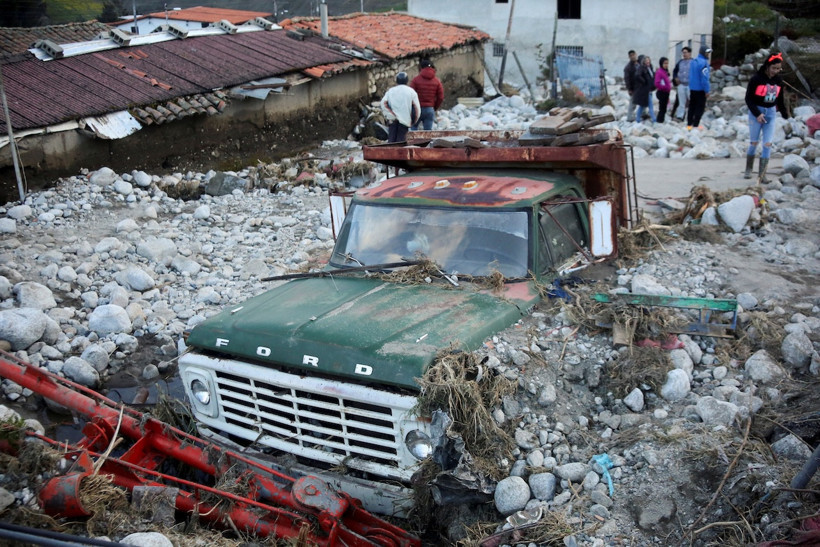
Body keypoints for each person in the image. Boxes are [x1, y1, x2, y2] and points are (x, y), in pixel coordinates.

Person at [744, 52, 788, 182]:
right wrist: (757, 113)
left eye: (778, 68)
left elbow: (779, 99)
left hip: (770, 113)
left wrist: (785, 113)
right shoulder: (756, 79)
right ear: (768, 66)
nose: (776, 71)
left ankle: (762, 174)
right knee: (754, 142)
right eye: (774, 68)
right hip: (756, 113)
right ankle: (748, 169)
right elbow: (748, 99)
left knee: (767, 144)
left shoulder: (778, 81)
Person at [380, 72, 420, 143]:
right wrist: (413, 121)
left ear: (397, 80)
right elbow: (417, 110)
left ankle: (390, 154)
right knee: (401, 143)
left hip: (393, 121)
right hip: (405, 121)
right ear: (407, 81)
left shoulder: (391, 91)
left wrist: (391, 115)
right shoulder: (411, 92)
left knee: (391, 141)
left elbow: (383, 103)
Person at [409, 59, 444, 131]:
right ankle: (426, 142)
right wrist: (434, 108)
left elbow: (410, 95)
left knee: (413, 129)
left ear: (421, 68)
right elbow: (440, 97)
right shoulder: (437, 81)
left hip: (417, 109)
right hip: (429, 109)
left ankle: (413, 142)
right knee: (427, 133)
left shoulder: (415, 80)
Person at [687, 45, 711, 129]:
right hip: (700, 90)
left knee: (691, 107)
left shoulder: (693, 61)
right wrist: (707, 90)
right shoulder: (703, 63)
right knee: (700, 108)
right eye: (707, 53)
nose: (708, 54)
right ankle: (695, 125)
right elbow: (704, 78)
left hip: (692, 88)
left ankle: (689, 125)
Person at [634, 55, 656, 124]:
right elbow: (637, 75)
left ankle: (637, 119)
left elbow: (652, 77)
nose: (648, 62)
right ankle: (654, 119)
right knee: (650, 105)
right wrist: (644, 81)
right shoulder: (642, 68)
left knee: (643, 105)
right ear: (644, 61)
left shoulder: (650, 68)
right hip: (645, 90)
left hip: (649, 89)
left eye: (648, 60)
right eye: (646, 60)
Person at [672, 46, 692, 121]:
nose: (684, 54)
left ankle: (691, 116)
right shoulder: (680, 62)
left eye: (685, 52)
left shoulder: (693, 62)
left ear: (689, 53)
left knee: (692, 101)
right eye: (683, 53)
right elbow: (675, 71)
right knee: (681, 102)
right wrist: (675, 77)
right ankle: (680, 116)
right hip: (681, 84)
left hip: (690, 85)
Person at [655, 57, 672, 123]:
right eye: (665, 63)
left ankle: (661, 120)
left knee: (664, 107)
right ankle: (659, 120)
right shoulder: (659, 72)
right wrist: (665, 87)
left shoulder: (665, 71)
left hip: (666, 92)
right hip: (662, 92)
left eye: (667, 63)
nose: (666, 65)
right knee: (662, 108)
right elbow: (657, 83)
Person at [623, 50, 639, 122]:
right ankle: (629, 117)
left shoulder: (639, 63)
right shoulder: (628, 67)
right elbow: (627, 79)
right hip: (634, 87)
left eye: (633, 55)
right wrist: (629, 89)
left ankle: (643, 114)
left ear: (636, 54)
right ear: (629, 57)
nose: (633, 56)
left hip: (641, 87)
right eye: (631, 55)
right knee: (633, 103)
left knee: (644, 101)